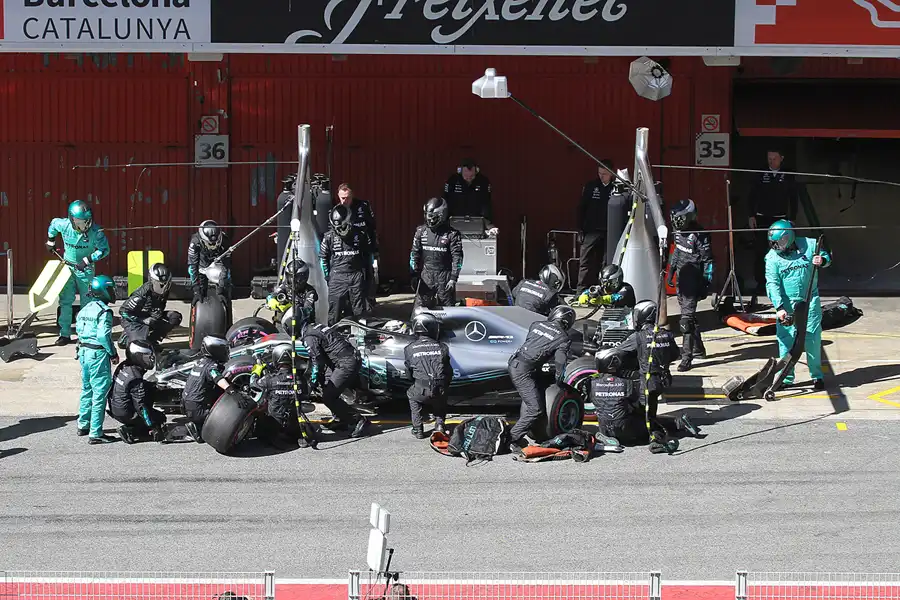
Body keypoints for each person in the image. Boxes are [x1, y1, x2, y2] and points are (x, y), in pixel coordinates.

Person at [765, 220, 831, 390]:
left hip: (810, 299)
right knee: (786, 340)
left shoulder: (810, 244)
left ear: (789, 237)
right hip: (786, 303)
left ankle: (817, 376)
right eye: (774, 243)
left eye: (780, 242)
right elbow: (772, 283)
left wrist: (822, 260)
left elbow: (827, 256)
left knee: (812, 338)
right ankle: (785, 378)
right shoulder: (772, 258)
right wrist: (779, 308)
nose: (777, 246)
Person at [507, 305, 576, 450]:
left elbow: (533, 344)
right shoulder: (563, 338)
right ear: (567, 322)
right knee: (535, 409)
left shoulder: (536, 324)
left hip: (516, 362)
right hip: (523, 371)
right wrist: (559, 383)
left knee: (533, 397)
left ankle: (520, 432)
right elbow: (560, 363)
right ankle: (511, 439)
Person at [617, 300, 681, 452]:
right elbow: (675, 354)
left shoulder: (638, 337)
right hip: (663, 379)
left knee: (643, 411)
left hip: (647, 381)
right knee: (651, 407)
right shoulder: (666, 334)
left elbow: (619, 351)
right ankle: (664, 425)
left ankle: (655, 438)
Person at [46, 200, 110, 346]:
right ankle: (65, 334)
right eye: (79, 222)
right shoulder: (64, 225)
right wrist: (50, 242)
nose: (83, 226)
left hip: (85, 269)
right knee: (65, 301)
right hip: (67, 267)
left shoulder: (96, 232)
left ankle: (84, 335)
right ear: (72, 219)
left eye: (86, 222)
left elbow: (104, 250)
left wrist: (88, 260)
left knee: (87, 303)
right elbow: (53, 225)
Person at [301, 322, 372, 438]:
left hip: (345, 363)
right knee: (324, 386)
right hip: (343, 359)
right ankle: (341, 418)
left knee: (329, 396)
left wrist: (311, 382)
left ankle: (359, 420)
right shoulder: (314, 326)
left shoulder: (309, 336)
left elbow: (317, 361)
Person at [666, 199, 714, 372]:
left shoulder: (699, 235)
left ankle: (687, 357)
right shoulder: (677, 232)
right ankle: (698, 349)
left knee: (685, 320)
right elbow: (677, 251)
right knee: (690, 318)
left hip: (693, 282)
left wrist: (706, 283)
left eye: (679, 219)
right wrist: (670, 272)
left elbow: (708, 260)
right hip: (681, 279)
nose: (676, 223)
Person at [109, 340, 186, 444]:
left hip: (115, 407)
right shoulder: (135, 377)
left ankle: (135, 426)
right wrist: (152, 425)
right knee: (160, 418)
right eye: (146, 356)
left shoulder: (125, 366)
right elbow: (141, 406)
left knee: (149, 388)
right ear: (137, 356)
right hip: (126, 412)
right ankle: (132, 432)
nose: (151, 359)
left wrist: (153, 386)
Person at [748, 150, 799, 301]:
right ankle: (761, 283)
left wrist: (792, 218)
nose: (771, 161)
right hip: (762, 217)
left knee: (783, 251)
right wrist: (751, 215)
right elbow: (752, 195)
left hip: (781, 219)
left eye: (774, 158)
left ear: (781, 158)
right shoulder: (760, 174)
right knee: (760, 251)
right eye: (769, 158)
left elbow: (793, 197)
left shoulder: (788, 175)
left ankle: (783, 282)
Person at [75, 275, 118, 444]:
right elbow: (103, 336)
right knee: (99, 393)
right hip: (97, 355)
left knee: (86, 389)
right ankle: (95, 432)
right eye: (110, 289)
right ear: (103, 291)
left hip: (84, 352)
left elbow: (79, 331)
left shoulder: (85, 309)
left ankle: (82, 424)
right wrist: (113, 353)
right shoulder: (104, 312)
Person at [252, 343, 314, 450]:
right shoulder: (300, 380)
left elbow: (253, 384)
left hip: (274, 425)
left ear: (276, 358)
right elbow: (305, 394)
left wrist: (256, 371)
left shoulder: (269, 379)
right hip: (293, 427)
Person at [403, 312, 452, 439]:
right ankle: (440, 424)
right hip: (439, 389)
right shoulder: (442, 347)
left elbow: (408, 371)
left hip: (421, 388)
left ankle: (418, 428)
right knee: (442, 396)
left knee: (411, 395)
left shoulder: (409, 348)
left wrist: (414, 382)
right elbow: (448, 371)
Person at [320, 205, 372, 325]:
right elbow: (323, 258)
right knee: (334, 313)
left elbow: (368, 255)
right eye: (337, 226)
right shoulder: (329, 237)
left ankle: (360, 338)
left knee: (360, 312)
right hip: (337, 278)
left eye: (342, 225)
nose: (340, 229)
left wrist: (368, 276)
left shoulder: (361, 234)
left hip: (356, 276)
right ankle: (333, 339)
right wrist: (327, 277)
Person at [410, 197, 464, 309]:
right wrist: (414, 274)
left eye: (433, 217)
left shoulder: (452, 234)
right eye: (427, 216)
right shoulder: (421, 231)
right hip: (426, 276)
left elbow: (457, 258)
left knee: (448, 312)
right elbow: (414, 254)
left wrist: (454, 278)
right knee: (420, 311)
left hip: (445, 278)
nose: (430, 220)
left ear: (441, 215)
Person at [181, 335, 236, 443]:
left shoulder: (201, 362)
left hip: (187, 404)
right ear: (216, 350)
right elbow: (217, 377)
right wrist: (232, 391)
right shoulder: (211, 366)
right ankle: (196, 428)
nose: (226, 352)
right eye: (224, 349)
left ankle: (198, 424)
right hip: (197, 408)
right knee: (227, 421)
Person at [336, 183, 379, 312]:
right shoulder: (337, 210)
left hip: (364, 250)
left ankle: (368, 310)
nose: (345, 200)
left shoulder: (363, 206)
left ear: (352, 195)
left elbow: (372, 227)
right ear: (338, 196)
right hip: (346, 253)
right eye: (342, 197)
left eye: (347, 197)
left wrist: (373, 248)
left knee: (367, 281)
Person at [118, 263, 182, 348]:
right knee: (139, 347)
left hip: (151, 316)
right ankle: (126, 337)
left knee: (175, 317)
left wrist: (156, 316)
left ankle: (152, 339)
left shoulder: (165, 291)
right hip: (135, 320)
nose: (163, 287)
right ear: (152, 281)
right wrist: (143, 320)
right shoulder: (141, 295)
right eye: (160, 284)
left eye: (166, 283)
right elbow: (123, 312)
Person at [592, 348, 645, 445]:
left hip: (604, 428)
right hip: (624, 430)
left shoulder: (592, 383)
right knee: (642, 414)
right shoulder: (626, 382)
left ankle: (606, 436)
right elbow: (636, 404)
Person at [577, 161, 615, 290]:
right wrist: (580, 229)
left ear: (611, 173)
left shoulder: (616, 188)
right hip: (591, 229)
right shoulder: (591, 186)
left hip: (609, 230)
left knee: (605, 262)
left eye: (604, 174)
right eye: (599, 173)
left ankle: (604, 290)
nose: (601, 176)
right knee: (585, 260)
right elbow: (582, 207)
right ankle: (580, 290)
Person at [188, 219, 233, 310]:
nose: (213, 246)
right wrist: (196, 289)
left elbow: (226, 267)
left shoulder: (225, 241)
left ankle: (227, 316)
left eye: (215, 243)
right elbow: (192, 266)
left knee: (226, 290)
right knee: (200, 294)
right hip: (202, 265)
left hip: (219, 265)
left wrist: (221, 288)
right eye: (210, 244)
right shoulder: (195, 242)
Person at [268, 258, 318, 334]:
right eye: (290, 277)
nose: (293, 281)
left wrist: (290, 308)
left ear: (304, 277)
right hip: (283, 324)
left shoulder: (310, 291)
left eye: (297, 278)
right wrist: (271, 299)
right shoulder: (285, 286)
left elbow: (308, 309)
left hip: (302, 326)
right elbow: (274, 294)